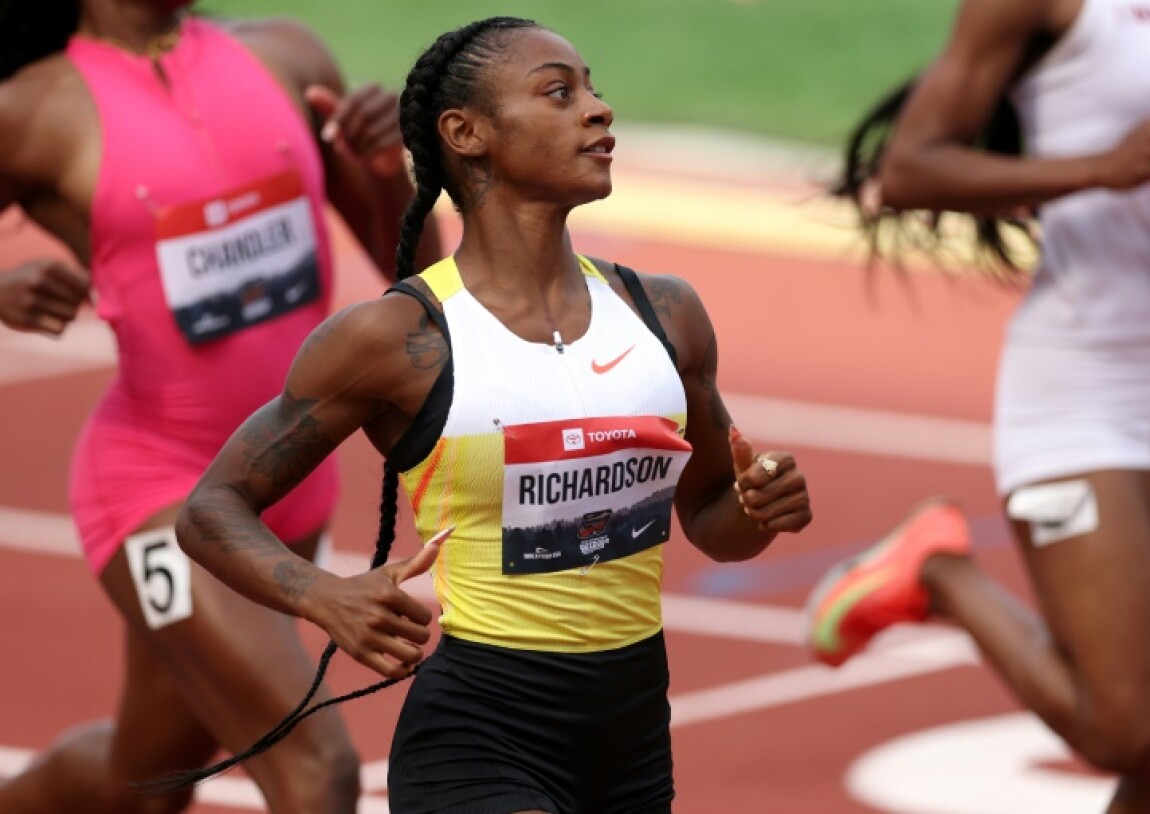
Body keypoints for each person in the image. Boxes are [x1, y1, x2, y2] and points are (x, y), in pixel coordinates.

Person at [171, 14, 813, 814]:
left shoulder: (665, 315)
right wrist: (320, 594)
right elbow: (209, 508)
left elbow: (715, 520)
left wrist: (762, 508)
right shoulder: (399, 340)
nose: (598, 110)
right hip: (481, 738)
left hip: (635, 739)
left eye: (594, 90)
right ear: (466, 133)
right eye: (559, 92)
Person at [0, 1, 441, 812]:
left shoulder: (286, 55)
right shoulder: (33, 108)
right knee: (319, 770)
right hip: (155, 490)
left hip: (283, 480)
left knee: (137, 787)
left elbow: (414, 276)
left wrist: (386, 172)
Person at [804, 1, 1150, 812]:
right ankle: (939, 572)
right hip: (1086, 379)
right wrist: (1096, 169)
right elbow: (910, 169)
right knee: (1132, 731)